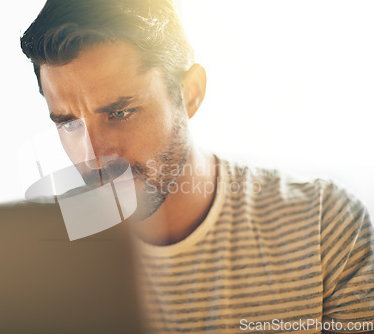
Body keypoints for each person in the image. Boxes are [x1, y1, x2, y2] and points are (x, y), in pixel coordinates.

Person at [20, 0, 374, 332]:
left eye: (120, 112)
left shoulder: (323, 227)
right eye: (68, 123)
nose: (93, 156)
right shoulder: (31, 254)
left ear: (190, 93)